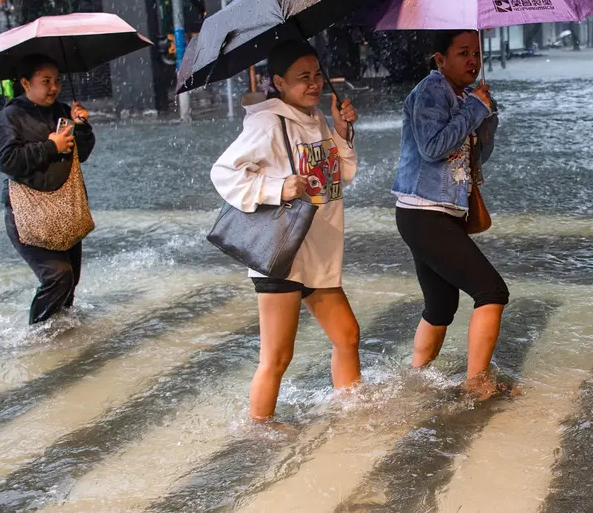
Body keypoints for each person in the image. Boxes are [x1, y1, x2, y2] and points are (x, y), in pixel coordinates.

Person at [211, 40, 361, 422]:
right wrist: (277, 187)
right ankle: (259, 432)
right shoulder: (267, 122)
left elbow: (338, 177)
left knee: (347, 335)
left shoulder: (316, 120)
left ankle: (354, 413)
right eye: (302, 78)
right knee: (277, 357)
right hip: (282, 254)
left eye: (316, 75)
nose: (313, 84)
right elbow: (224, 172)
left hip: (315, 250)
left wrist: (342, 132)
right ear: (278, 81)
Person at [392, 30, 508, 397]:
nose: (473, 60)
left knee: (442, 305)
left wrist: (486, 119)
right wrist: (475, 109)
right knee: (491, 291)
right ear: (440, 59)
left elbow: (474, 159)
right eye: (462, 53)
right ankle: (477, 383)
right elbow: (432, 147)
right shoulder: (431, 90)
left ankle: (415, 379)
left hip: (441, 212)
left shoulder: (463, 95)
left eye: (476, 53)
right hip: (425, 212)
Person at [0, 55, 95, 324]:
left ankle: (64, 345)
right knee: (57, 276)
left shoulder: (62, 112)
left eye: (57, 81)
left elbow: (80, 155)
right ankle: (36, 338)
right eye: (45, 81)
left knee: (69, 282)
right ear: (26, 83)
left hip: (65, 208)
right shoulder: (10, 116)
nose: (54, 87)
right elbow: (6, 160)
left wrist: (82, 127)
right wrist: (51, 146)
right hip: (28, 215)